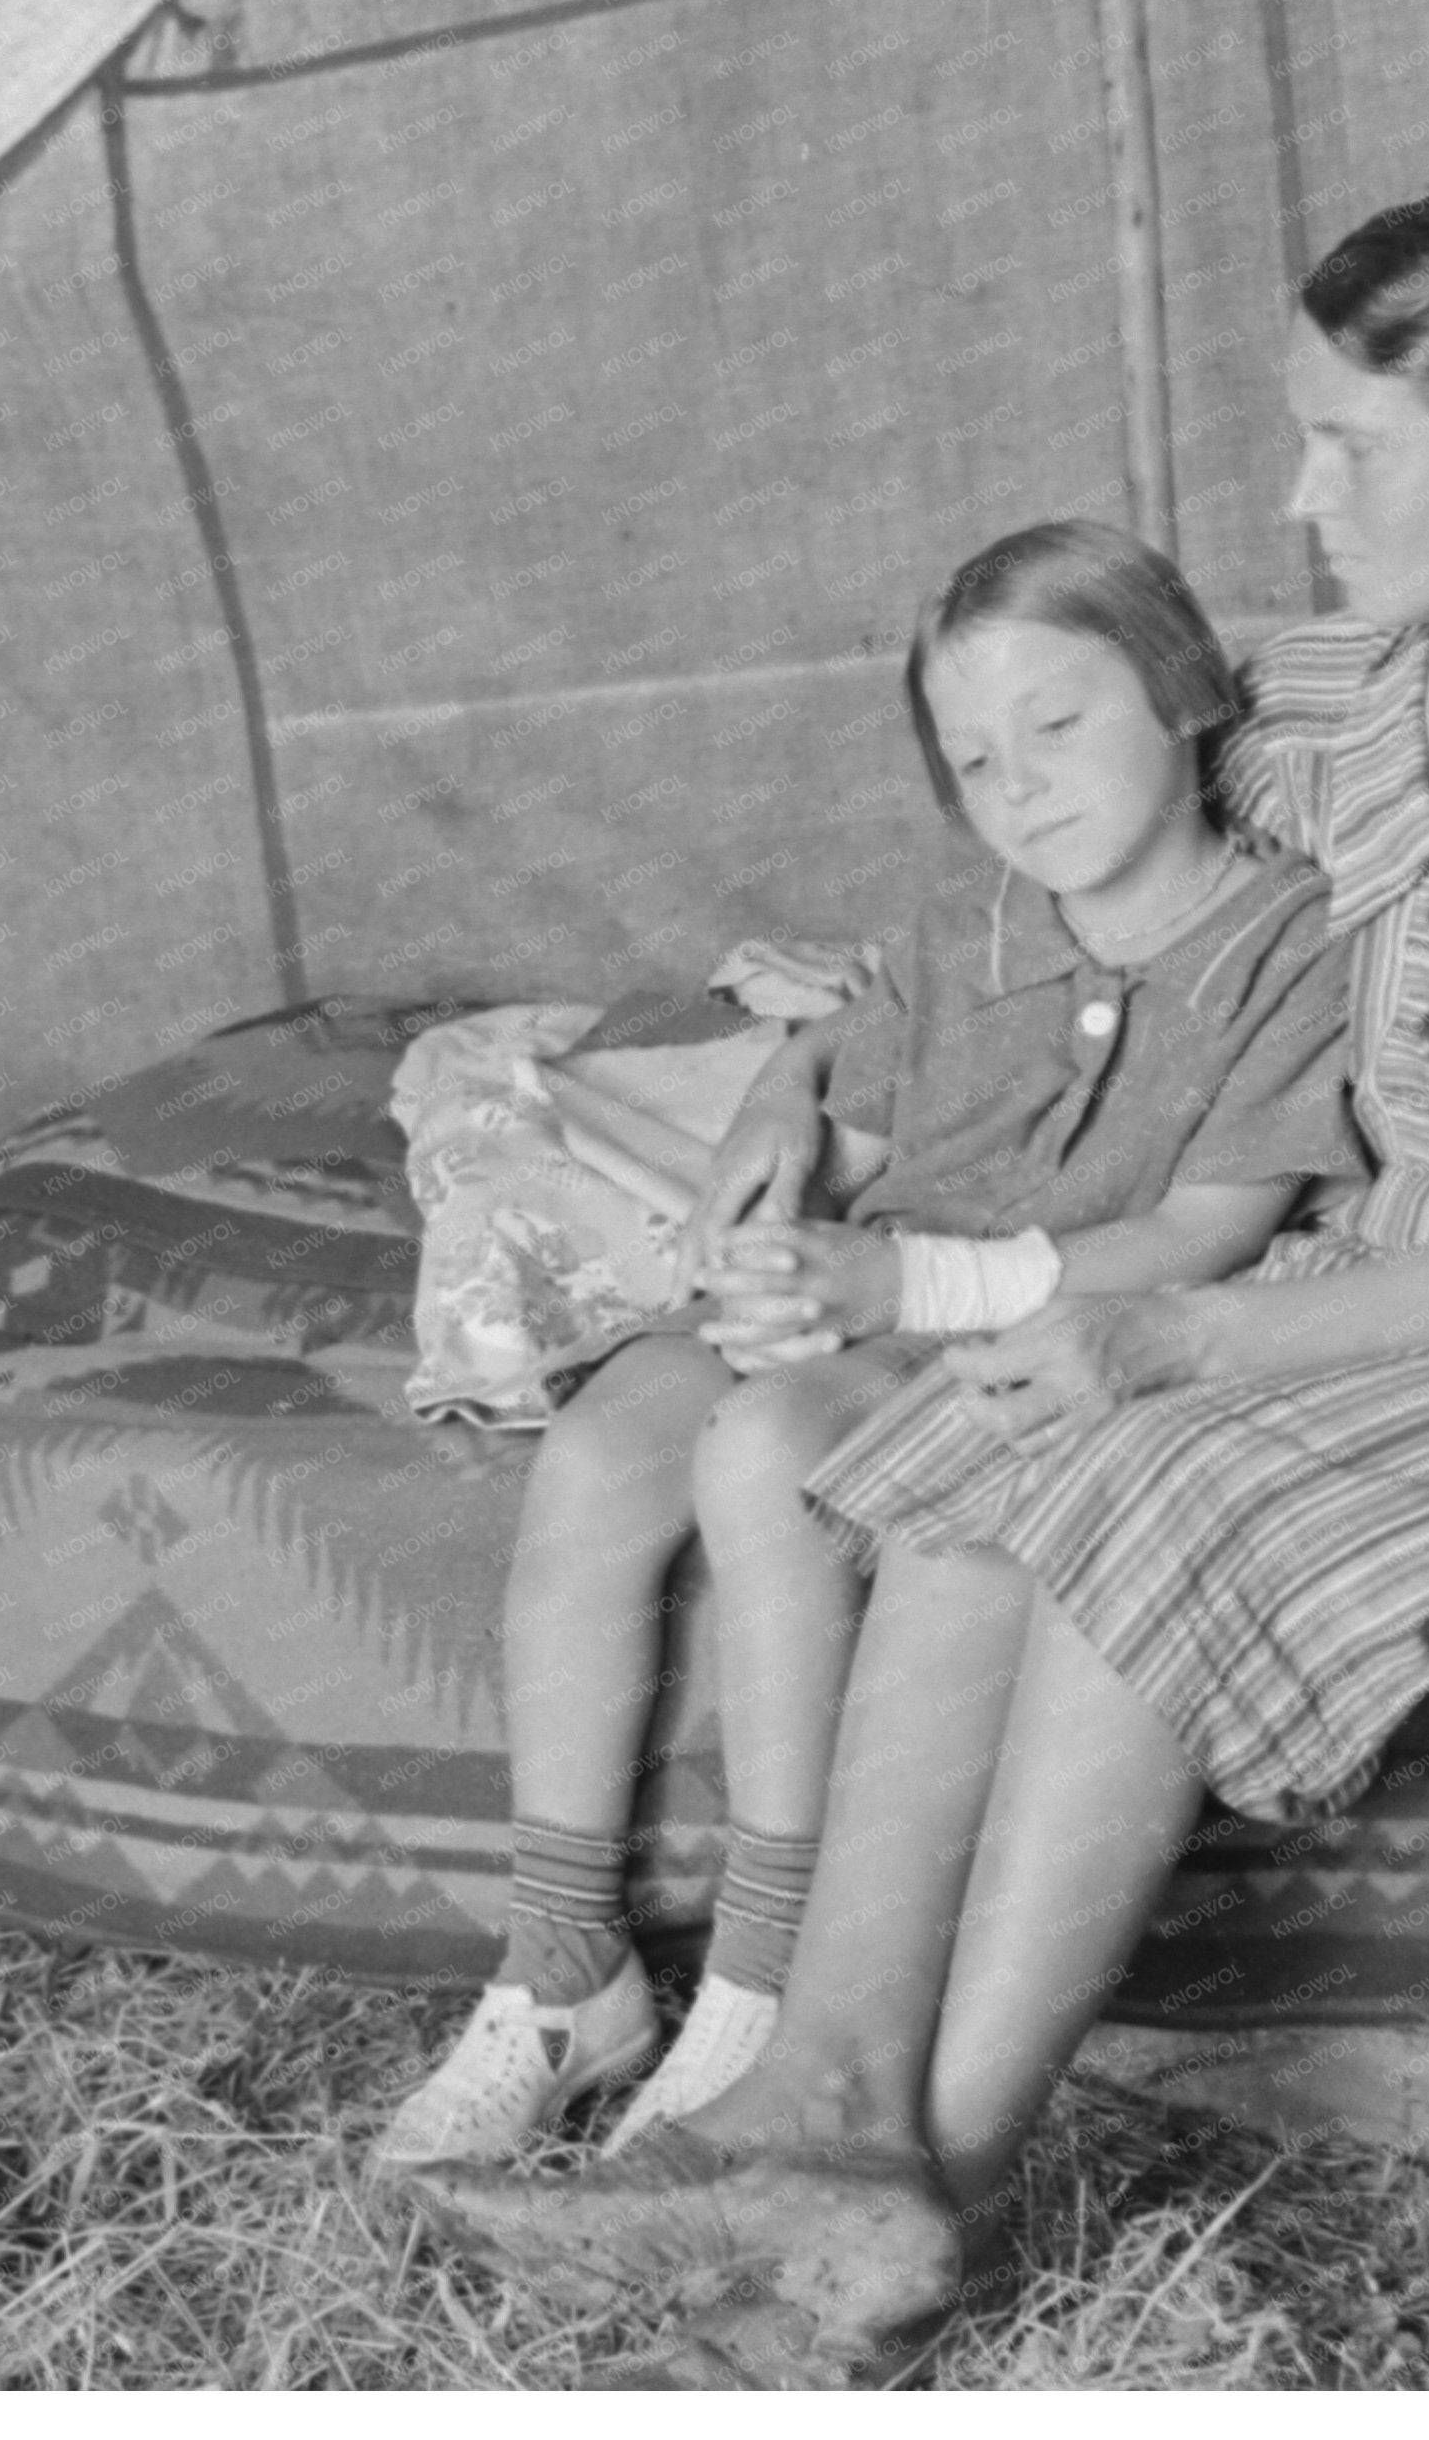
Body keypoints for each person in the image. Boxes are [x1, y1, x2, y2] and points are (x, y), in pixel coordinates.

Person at [396, 175, 1429, 2386]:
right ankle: (811, 2101)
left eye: (1352, 444)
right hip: (1397, 1248)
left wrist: (1176, 1325)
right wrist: (852, 1023)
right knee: (981, 1438)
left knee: (1152, 1463)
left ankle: (916, 2191)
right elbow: (1094, 812)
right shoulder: (1326, 692)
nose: (1298, 498)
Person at [372, 521, 1363, 2170]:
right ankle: (563, 1964)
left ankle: (761, 1982)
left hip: (1016, 1320)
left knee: (764, 1453)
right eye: (974, 760)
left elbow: (1204, 1233)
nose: (1022, 787)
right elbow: (855, 1063)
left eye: (1058, 726)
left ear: (1188, 695)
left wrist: (894, 1287)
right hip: (871, 1277)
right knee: (613, 1439)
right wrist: (785, 1147)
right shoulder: (973, 931)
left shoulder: (1286, 943)